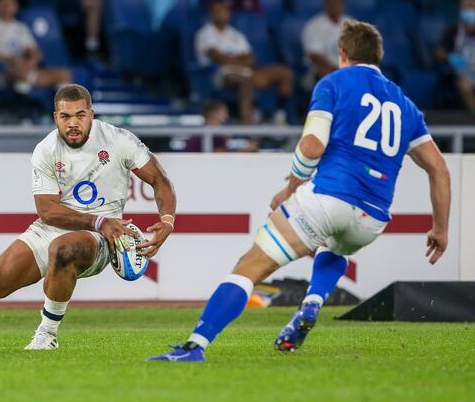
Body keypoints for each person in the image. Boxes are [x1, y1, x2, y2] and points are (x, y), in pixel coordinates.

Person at [149, 21, 451, 362]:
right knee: (333, 245)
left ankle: (195, 346)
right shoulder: (406, 104)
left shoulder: (334, 83)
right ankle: (313, 301)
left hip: (328, 198)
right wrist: (440, 228)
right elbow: (438, 168)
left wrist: (291, 186)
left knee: (249, 267)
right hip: (372, 219)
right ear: (378, 57)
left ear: (342, 53)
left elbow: (311, 146)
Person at [0, 84, 176, 352]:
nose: (72, 123)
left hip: (101, 238)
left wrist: (166, 220)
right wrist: (99, 221)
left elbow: (159, 180)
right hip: (59, 227)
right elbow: (48, 210)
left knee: (63, 249)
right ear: (55, 116)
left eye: (79, 115)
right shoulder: (46, 150)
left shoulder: (118, 140)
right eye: (65, 116)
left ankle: (46, 334)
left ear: (91, 114)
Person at [194, 1, 293, 124]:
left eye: (225, 11)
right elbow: (218, 58)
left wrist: (232, 59)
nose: (222, 14)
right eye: (218, 11)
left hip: (246, 72)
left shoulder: (236, 34)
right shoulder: (205, 33)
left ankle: (279, 116)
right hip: (219, 74)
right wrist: (239, 60)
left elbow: (250, 58)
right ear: (211, 14)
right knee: (247, 80)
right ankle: (247, 122)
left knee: (284, 73)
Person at [0, 0, 72, 94]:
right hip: (1, 72)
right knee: (20, 73)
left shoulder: (20, 27)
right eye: (3, 4)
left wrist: (31, 63)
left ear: (16, 7)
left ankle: (65, 107)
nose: (6, 8)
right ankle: (22, 100)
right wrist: (11, 59)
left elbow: (35, 52)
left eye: (10, 4)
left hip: (25, 69)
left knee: (64, 74)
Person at [301, 0, 351, 85]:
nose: (334, 6)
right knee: (328, 75)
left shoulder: (350, 23)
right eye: (331, 3)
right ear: (325, 5)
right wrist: (337, 69)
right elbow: (314, 55)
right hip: (319, 70)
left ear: (343, 5)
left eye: (337, 3)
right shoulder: (315, 25)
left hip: (345, 69)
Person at [437, 0, 475, 112]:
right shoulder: (453, 31)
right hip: (462, 73)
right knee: (464, 85)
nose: (468, 11)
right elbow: (439, 52)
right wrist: (451, 57)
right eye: (465, 8)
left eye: (471, 7)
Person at [182, 101, 258, 152]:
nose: (226, 117)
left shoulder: (216, 132)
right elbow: (220, 157)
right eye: (224, 114)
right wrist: (245, 150)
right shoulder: (205, 134)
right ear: (213, 116)